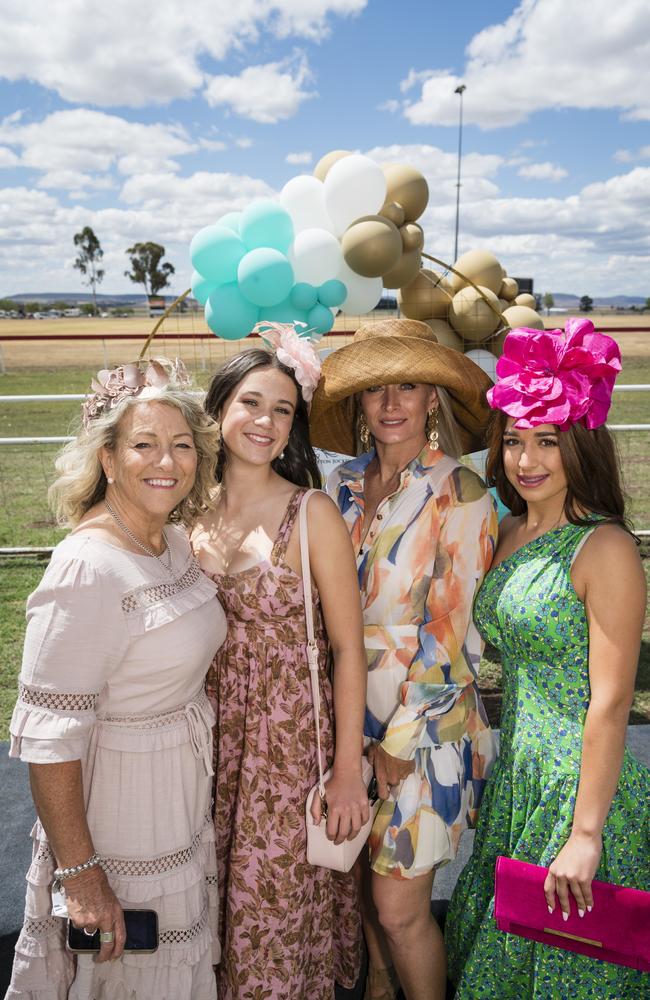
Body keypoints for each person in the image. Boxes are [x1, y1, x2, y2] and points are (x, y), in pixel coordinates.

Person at [6, 359, 225, 999]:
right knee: (126, 973)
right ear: (107, 458)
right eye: (145, 444)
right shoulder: (87, 567)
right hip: (121, 809)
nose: (168, 461)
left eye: (182, 445)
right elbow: (49, 740)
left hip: (177, 793)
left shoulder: (172, 541)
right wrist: (81, 876)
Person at [445, 320, 650, 998]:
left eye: (547, 443)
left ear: (582, 446)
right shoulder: (509, 530)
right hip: (520, 775)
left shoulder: (606, 549)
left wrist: (586, 833)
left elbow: (611, 700)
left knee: (569, 971)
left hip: (580, 788)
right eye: (513, 441)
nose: (525, 460)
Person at [310, 318, 499, 1000]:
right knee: (360, 893)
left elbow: (453, 638)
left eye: (409, 387)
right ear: (358, 404)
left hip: (424, 732)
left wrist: (396, 742)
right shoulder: (340, 489)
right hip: (343, 722)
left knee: (399, 908)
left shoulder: (462, 495)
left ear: (431, 401)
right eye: (376, 389)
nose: (391, 403)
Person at [190, 323, 369, 1000]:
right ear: (220, 409)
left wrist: (347, 771)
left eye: (283, 409)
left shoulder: (311, 512)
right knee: (204, 918)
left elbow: (349, 650)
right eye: (251, 403)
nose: (266, 421)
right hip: (201, 746)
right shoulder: (184, 513)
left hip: (285, 756)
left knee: (272, 925)